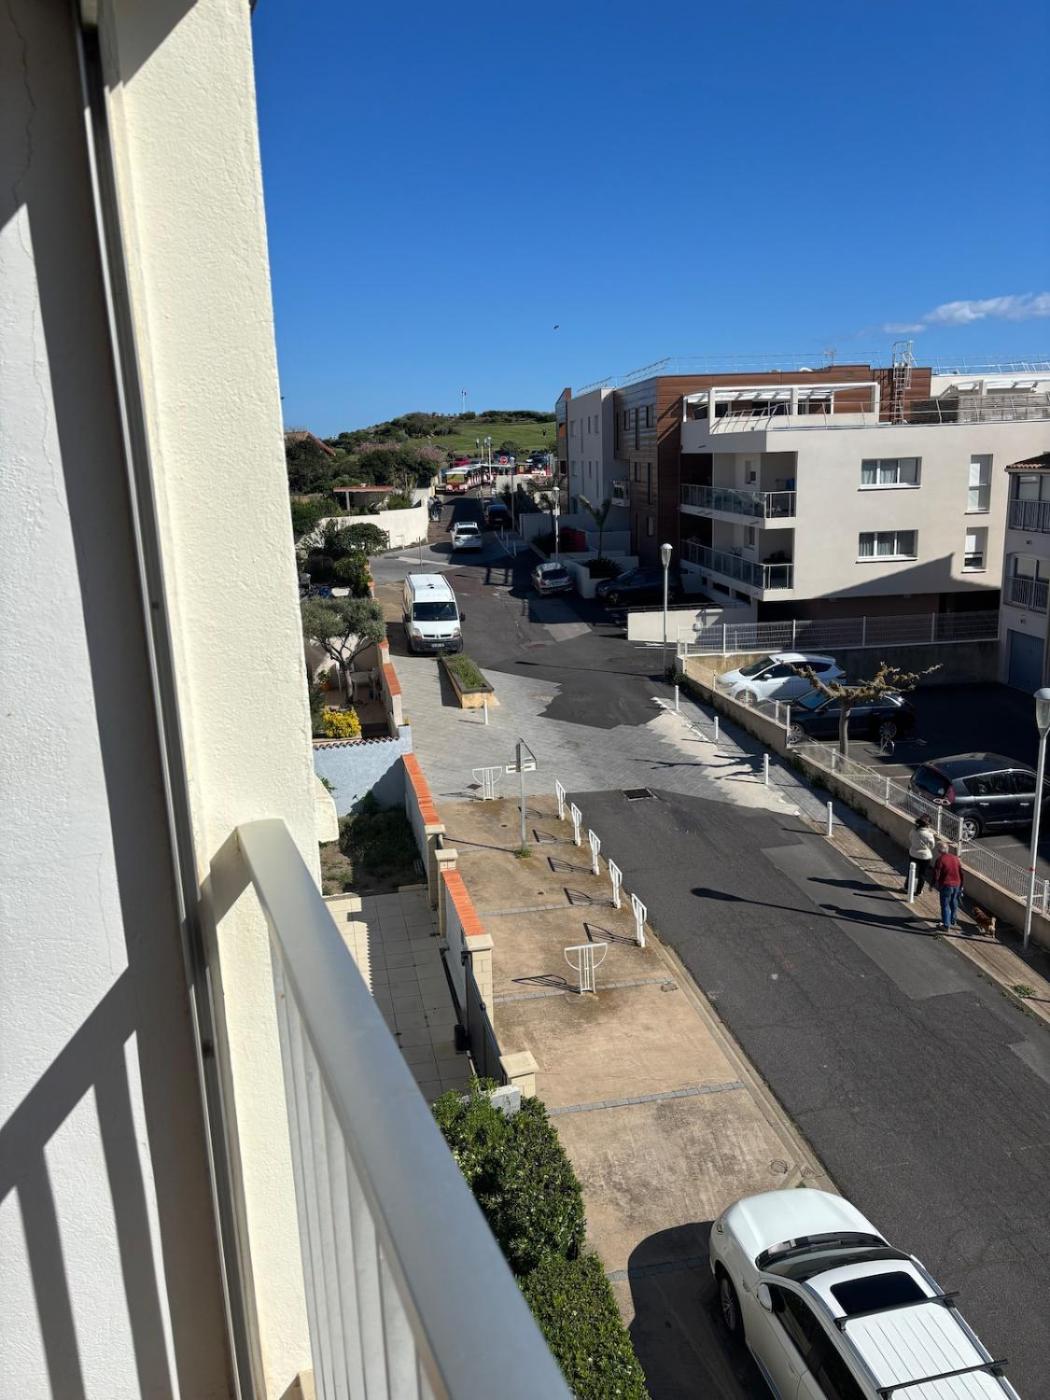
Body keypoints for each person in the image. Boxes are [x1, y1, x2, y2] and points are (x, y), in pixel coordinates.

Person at [932, 840, 964, 930]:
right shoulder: (955, 858)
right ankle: (953, 920)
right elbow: (961, 872)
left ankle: (946, 925)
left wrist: (933, 884)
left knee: (945, 904)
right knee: (954, 902)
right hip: (957, 884)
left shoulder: (940, 860)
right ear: (948, 849)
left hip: (946, 885)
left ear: (939, 851)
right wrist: (961, 885)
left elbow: (936, 874)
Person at [906, 815, 936, 896]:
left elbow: (910, 838)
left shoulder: (913, 831)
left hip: (913, 853)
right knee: (922, 874)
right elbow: (932, 846)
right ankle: (918, 891)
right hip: (925, 856)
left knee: (911, 871)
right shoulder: (929, 834)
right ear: (928, 824)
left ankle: (907, 887)